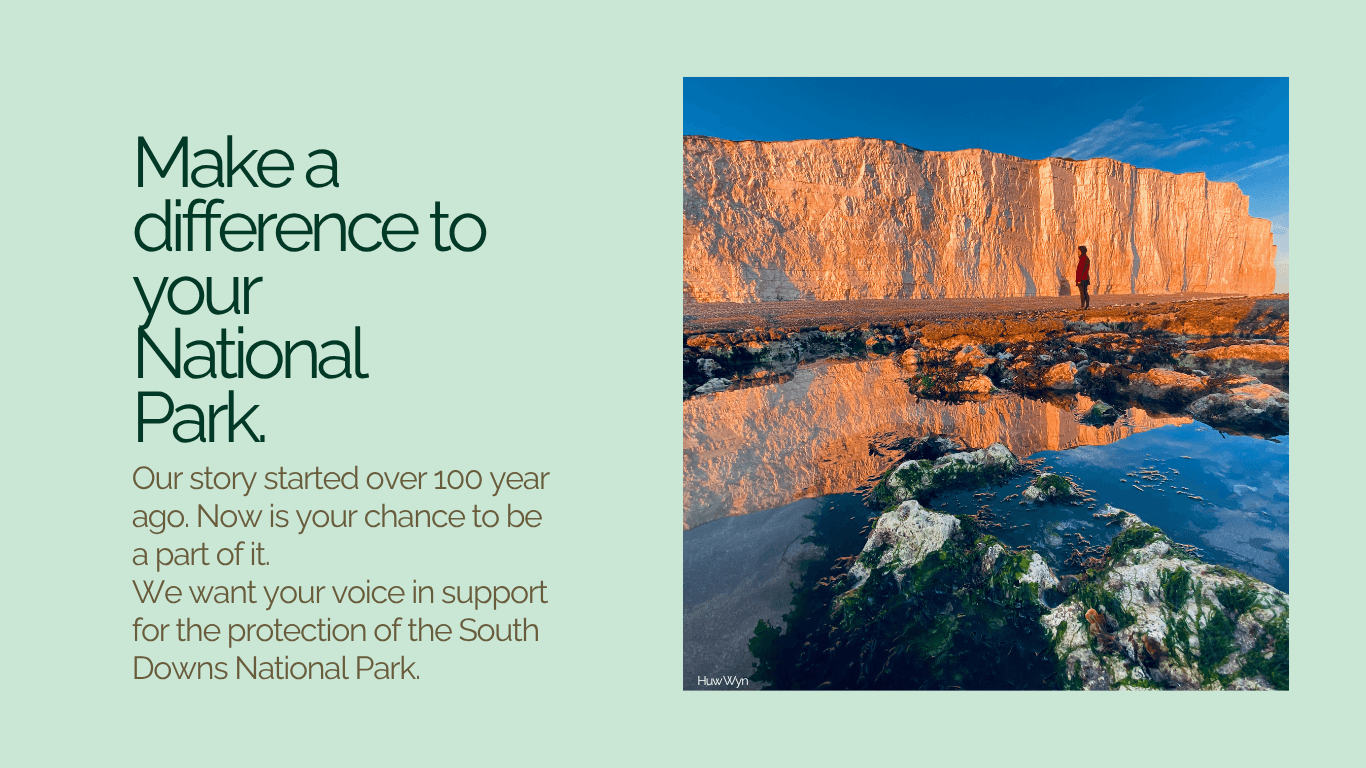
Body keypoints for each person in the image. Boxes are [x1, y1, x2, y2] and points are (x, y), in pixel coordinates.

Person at [1075, 245, 1091, 310]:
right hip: (1085, 278)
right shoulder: (1085, 258)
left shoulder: (1083, 259)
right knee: (1085, 292)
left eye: (1079, 251)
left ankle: (1083, 306)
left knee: (1082, 292)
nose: (1078, 252)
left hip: (1082, 279)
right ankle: (1087, 305)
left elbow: (1081, 270)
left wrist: (1079, 280)